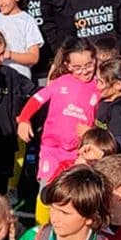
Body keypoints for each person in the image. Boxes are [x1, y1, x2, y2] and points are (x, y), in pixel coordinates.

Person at [16, 38, 100, 224]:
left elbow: (101, 122)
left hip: (79, 153)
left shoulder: (98, 88)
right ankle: (42, 229)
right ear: (67, 65)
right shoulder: (60, 82)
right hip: (52, 150)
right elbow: (37, 99)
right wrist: (24, 119)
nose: (84, 71)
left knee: (75, 195)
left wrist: (91, 133)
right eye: (77, 67)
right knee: (46, 191)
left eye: (88, 64)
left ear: (95, 60)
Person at [0, 28, 36, 194]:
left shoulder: (9, 74)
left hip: (5, 141)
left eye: (1, 53)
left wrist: (25, 117)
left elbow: (35, 94)